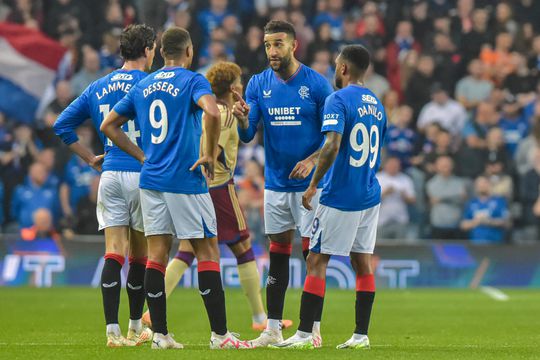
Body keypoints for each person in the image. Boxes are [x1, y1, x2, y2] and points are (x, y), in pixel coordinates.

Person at [101, 26, 251, 350]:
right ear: (189, 51)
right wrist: (209, 153)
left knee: (157, 254)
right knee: (207, 250)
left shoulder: (144, 84)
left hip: (151, 180)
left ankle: (161, 336)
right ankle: (221, 336)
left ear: (160, 50)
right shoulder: (194, 79)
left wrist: (141, 155)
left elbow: (107, 125)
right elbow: (212, 110)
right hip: (185, 180)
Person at [140, 61, 270, 331]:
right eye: (240, 82)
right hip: (219, 187)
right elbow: (215, 148)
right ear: (234, 87)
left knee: (187, 249)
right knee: (243, 246)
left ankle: (150, 313)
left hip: (195, 186)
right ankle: (260, 319)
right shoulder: (223, 114)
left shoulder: (204, 111)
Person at [272, 44, 386, 350]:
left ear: (345, 68)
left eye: (337, 65)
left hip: (341, 195)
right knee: (362, 263)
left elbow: (333, 144)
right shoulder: (376, 103)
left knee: (316, 259)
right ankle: (361, 335)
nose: (335, 70)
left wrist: (313, 184)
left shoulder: (338, 99)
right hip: (369, 193)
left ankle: (305, 334)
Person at [53, 24, 157, 347]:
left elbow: (62, 125)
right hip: (142, 173)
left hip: (109, 175)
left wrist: (89, 158)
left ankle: (112, 333)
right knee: (140, 255)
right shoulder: (151, 84)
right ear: (148, 49)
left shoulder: (98, 86)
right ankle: (135, 326)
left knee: (114, 253)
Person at [232, 20, 333, 348]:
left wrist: (312, 160)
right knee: (277, 254)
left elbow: (334, 138)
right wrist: (243, 118)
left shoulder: (317, 85)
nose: (272, 51)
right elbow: (248, 136)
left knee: (312, 257)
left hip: (310, 189)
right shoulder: (258, 84)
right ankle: (273, 329)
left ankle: (312, 330)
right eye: (267, 45)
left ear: (294, 46)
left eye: (278, 44)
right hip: (275, 185)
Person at [426, 156, 467, 239]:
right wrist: (455, 197)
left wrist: (441, 199)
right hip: (438, 225)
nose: (445, 168)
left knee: (456, 251)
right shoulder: (431, 184)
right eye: (442, 165)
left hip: (455, 225)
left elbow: (461, 199)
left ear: (452, 166)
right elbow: (457, 197)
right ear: (436, 167)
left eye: (447, 165)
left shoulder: (459, 182)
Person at [461, 176, 509, 244]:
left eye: (484, 183)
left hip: (496, 243)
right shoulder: (471, 203)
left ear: (489, 184)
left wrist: (489, 221)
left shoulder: (499, 201)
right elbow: (463, 225)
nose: (481, 186)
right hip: (476, 244)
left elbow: (507, 223)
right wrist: (476, 222)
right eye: (479, 184)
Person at [377, 157, 416, 239]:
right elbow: (368, 201)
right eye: (391, 165)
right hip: (381, 220)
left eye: (395, 166)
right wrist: (384, 193)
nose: (393, 168)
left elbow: (413, 200)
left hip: (400, 219)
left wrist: (403, 195)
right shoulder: (377, 178)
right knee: (380, 248)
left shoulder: (405, 179)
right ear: (385, 166)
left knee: (400, 248)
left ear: (399, 167)